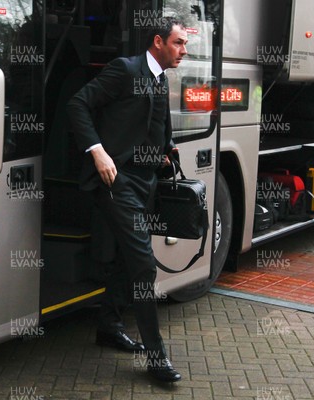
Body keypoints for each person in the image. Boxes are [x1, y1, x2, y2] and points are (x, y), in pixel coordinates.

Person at [67, 18, 188, 382]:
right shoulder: (124, 69)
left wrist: (167, 148)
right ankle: (157, 359)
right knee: (144, 266)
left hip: (146, 181)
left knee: (123, 258)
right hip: (117, 181)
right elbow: (78, 105)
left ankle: (108, 325)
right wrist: (97, 151)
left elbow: (157, 125)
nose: (184, 50)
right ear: (158, 41)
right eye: (179, 43)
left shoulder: (160, 78)